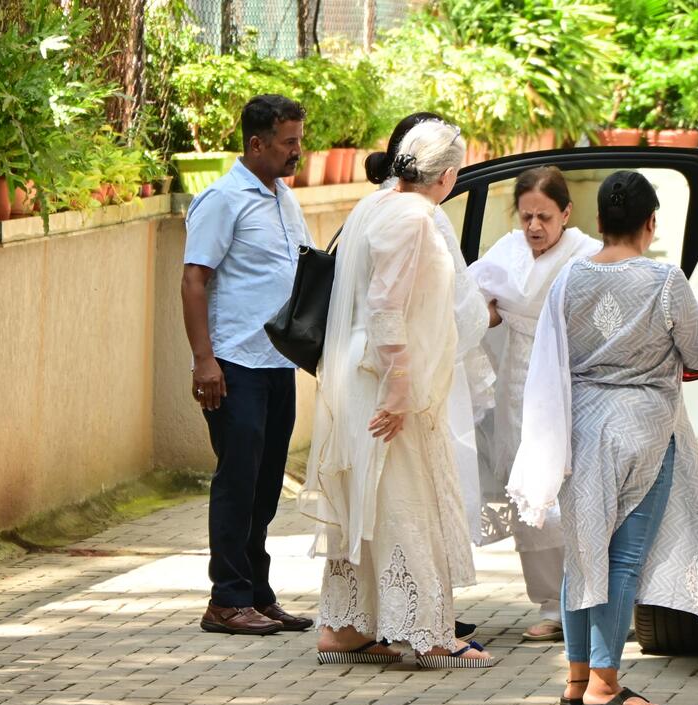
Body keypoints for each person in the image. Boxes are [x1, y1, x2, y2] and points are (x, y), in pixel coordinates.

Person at [507, 171, 698, 705]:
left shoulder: (569, 280)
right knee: (623, 559)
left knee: (583, 551)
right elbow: (695, 353)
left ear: (596, 223)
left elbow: (550, 359)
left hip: (578, 430)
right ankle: (605, 683)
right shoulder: (665, 281)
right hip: (644, 430)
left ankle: (577, 679)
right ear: (651, 224)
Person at [299, 117, 494, 668]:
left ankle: (346, 628)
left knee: (369, 500)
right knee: (408, 498)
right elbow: (386, 308)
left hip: (360, 373)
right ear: (449, 174)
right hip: (385, 378)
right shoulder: (416, 218)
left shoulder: (374, 206)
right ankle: (429, 633)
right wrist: (400, 386)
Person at [182, 94, 315, 636]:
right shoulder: (222, 200)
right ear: (256, 143)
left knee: (265, 485)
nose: (298, 153)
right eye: (289, 143)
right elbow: (194, 279)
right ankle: (226, 599)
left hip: (276, 363)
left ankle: (257, 594)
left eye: (300, 141)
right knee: (237, 481)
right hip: (233, 363)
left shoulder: (283, 197)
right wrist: (203, 360)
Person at [470, 167, 600, 642]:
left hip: (566, 378)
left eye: (545, 216)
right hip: (515, 380)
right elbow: (477, 304)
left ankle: (591, 599)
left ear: (566, 213)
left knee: (571, 488)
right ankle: (550, 601)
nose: (534, 227)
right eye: (526, 216)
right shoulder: (507, 250)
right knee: (525, 488)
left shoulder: (585, 254)